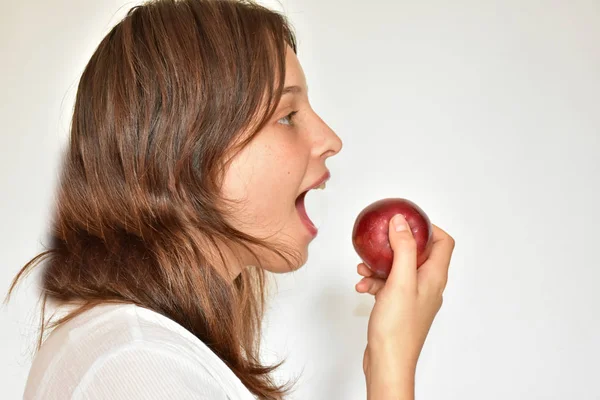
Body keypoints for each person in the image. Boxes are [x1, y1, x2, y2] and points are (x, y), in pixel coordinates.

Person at [7, 0, 455, 399]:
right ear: (180, 153)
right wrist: (393, 365)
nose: (330, 140)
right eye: (287, 116)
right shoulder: (137, 366)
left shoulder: (137, 351)